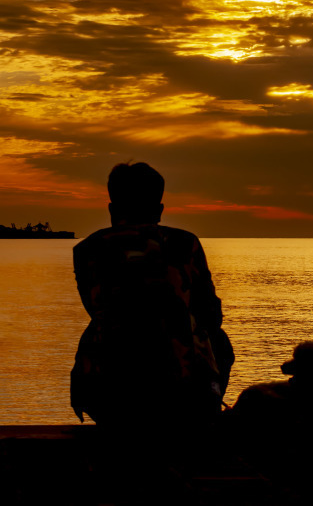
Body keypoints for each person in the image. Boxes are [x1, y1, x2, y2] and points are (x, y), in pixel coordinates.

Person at [70, 162, 234, 429]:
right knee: (220, 341)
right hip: (185, 391)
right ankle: (204, 413)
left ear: (112, 208)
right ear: (159, 210)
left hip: (107, 391)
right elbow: (211, 313)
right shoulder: (185, 243)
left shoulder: (88, 249)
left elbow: (94, 308)